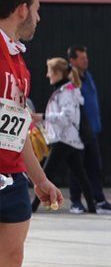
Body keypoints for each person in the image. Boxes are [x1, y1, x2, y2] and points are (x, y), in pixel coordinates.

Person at [0, 0, 64, 267]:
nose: (38, 17)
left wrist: (40, 179)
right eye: (37, 8)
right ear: (22, 8)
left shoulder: (19, 61)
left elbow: (16, 129)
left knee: (11, 262)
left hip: (14, 178)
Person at [30, 57, 96, 214]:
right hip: (70, 139)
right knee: (80, 174)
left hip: (64, 139)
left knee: (45, 174)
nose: (47, 75)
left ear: (58, 73)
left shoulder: (66, 92)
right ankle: (92, 208)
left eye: (49, 72)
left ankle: (33, 207)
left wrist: (43, 117)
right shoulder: (66, 90)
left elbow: (67, 117)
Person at [67, 45, 111, 214]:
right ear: (72, 60)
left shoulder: (88, 76)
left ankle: (100, 200)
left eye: (86, 58)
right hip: (76, 133)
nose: (86, 61)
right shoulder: (70, 80)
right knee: (77, 169)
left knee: (95, 168)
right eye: (82, 58)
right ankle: (75, 202)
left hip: (92, 132)